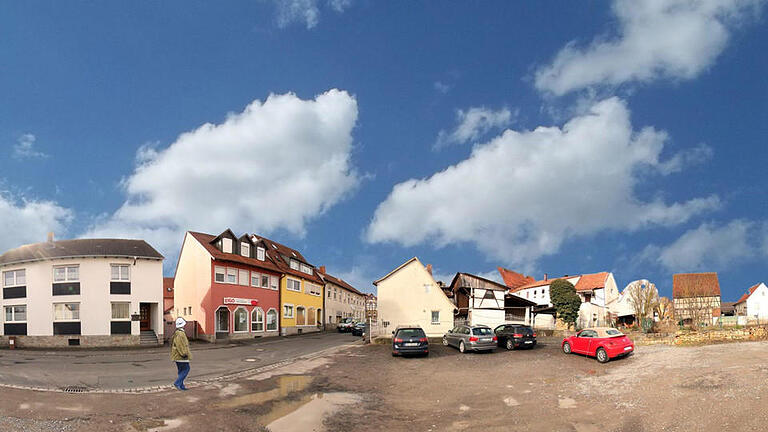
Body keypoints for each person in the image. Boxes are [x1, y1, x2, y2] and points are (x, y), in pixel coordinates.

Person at [170, 317, 191, 391]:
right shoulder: (180, 333)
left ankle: (181, 386)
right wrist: (184, 353)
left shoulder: (177, 333)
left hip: (178, 356)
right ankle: (177, 383)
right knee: (186, 369)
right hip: (181, 356)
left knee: (181, 371)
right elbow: (180, 345)